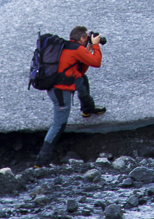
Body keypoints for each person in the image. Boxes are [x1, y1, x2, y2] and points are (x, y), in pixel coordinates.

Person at [35, 26, 105, 166]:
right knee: (58, 125)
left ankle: (87, 109)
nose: (89, 39)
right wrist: (96, 45)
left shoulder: (69, 47)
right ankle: (41, 161)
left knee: (82, 80)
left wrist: (88, 50)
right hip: (60, 91)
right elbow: (96, 63)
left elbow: (80, 69)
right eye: (87, 37)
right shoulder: (77, 49)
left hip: (62, 85)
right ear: (82, 39)